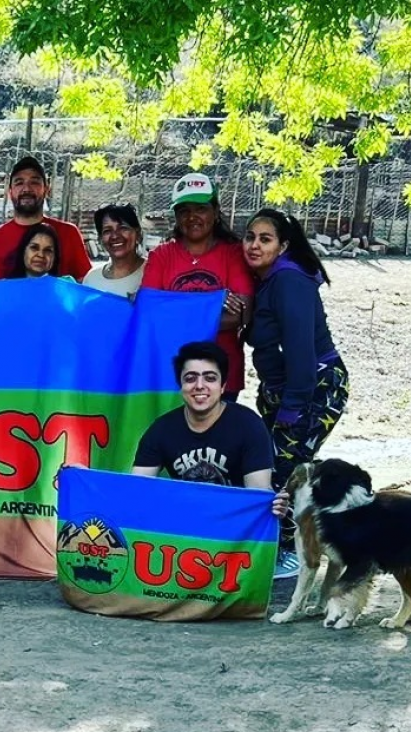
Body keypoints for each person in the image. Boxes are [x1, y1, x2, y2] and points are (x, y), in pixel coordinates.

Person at [131, 341, 297, 579]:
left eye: (210, 378)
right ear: (180, 386)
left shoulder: (249, 426)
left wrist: (271, 506)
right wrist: (82, 479)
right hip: (184, 530)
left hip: (234, 534)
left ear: (223, 386)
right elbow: (137, 489)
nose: (200, 386)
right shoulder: (161, 430)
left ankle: (277, 554)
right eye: (190, 378)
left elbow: (258, 491)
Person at [242, 208, 348, 490]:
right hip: (287, 390)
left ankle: (292, 535)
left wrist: (291, 408)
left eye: (265, 239)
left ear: (283, 246)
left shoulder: (289, 281)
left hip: (313, 387)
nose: (254, 245)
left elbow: (300, 350)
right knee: (269, 469)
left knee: (280, 477)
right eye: (250, 237)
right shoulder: (267, 280)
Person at [140, 173, 254, 401]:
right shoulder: (162, 255)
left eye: (200, 209)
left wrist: (173, 310)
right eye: (184, 210)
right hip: (173, 373)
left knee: (220, 436)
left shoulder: (233, 254)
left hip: (223, 374)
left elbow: (242, 314)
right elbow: (149, 313)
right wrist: (212, 309)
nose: (192, 217)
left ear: (215, 211)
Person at [0, 155, 91, 281]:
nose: (27, 189)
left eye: (34, 182)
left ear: (46, 190)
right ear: (10, 192)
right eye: (19, 183)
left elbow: (85, 285)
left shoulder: (69, 233)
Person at [83, 203, 147, 297]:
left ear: (138, 234)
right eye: (107, 231)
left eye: (123, 228)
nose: (115, 236)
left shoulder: (152, 273)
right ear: (100, 239)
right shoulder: (92, 279)